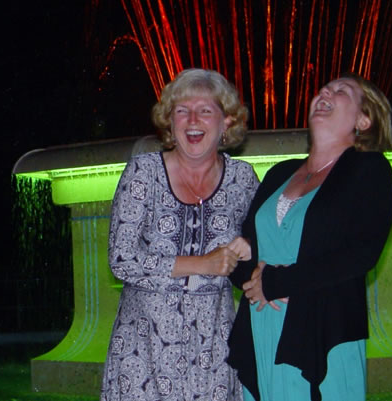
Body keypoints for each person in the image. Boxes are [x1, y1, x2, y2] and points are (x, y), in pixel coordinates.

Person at [228, 73, 392, 401]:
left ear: (364, 119)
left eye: (341, 91)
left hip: (323, 332)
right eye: (324, 89)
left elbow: (361, 254)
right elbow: (245, 248)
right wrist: (251, 277)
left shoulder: (369, 170)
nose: (325, 92)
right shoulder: (280, 172)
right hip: (262, 328)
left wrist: (277, 283)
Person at [100, 68, 259, 401]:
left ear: (227, 121)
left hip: (214, 348)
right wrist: (201, 264)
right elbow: (121, 259)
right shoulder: (143, 172)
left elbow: (262, 242)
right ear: (170, 121)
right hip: (142, 348)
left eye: (205, 110)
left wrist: (253, 248)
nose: (192, 120)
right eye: (182, 111)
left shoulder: (243, 180)